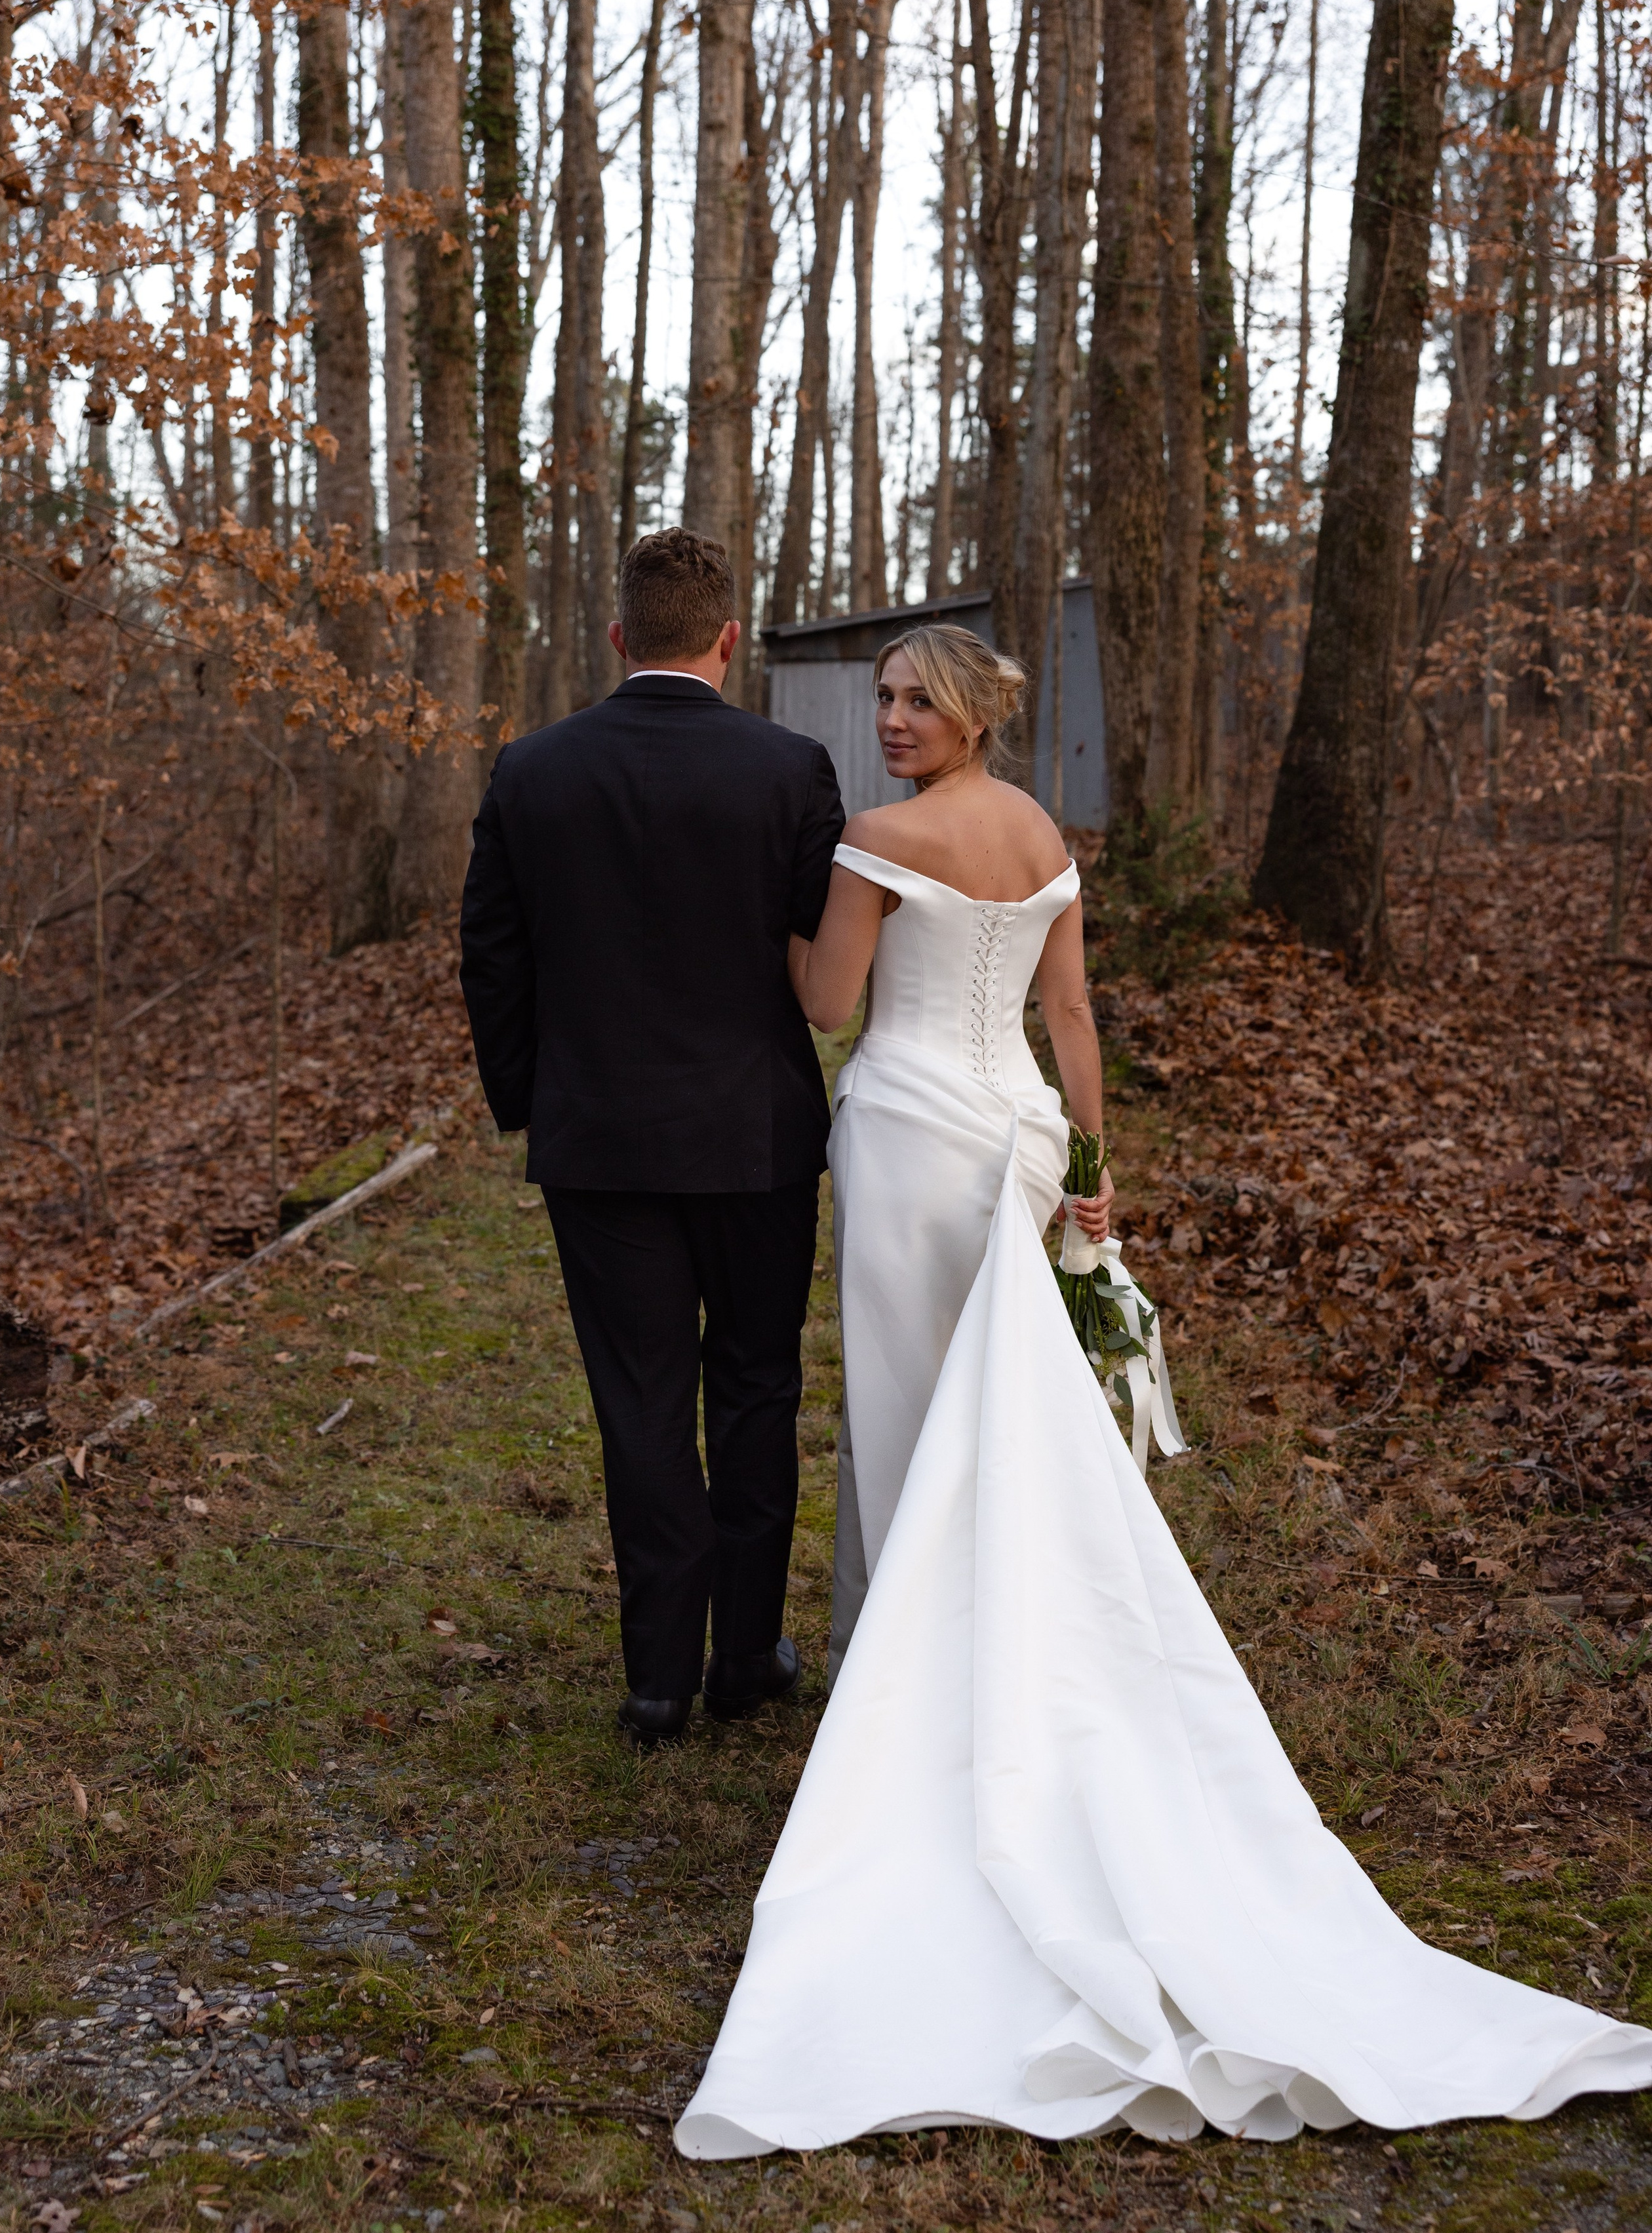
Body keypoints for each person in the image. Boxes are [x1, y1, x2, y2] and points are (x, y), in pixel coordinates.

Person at [675, 623, 1652, 2158]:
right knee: (1002, 1413)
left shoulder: (871, 840)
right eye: (881, 698)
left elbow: (823, 1004)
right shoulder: (1040, 838)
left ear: (974, 713)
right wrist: (1092, 1177)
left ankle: (900, 1684)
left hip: (908, 1138)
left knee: (905, 1410)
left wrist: (759, 919)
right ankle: (995, 1652)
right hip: (1009, 1137)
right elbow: (1067, 1020)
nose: (891, 720)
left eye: (915, 698)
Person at [459, 528, 844, 1749]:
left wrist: (533, 1101)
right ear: (729, 638)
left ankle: (659, 1679)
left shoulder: (533, 770)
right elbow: (817, 960)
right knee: (755, 1385)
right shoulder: (792, 769)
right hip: (757, 1139)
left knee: (640, 1399)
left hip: (601, 1143)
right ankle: (744, 1658)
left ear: (620, 636)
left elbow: (491, 956)